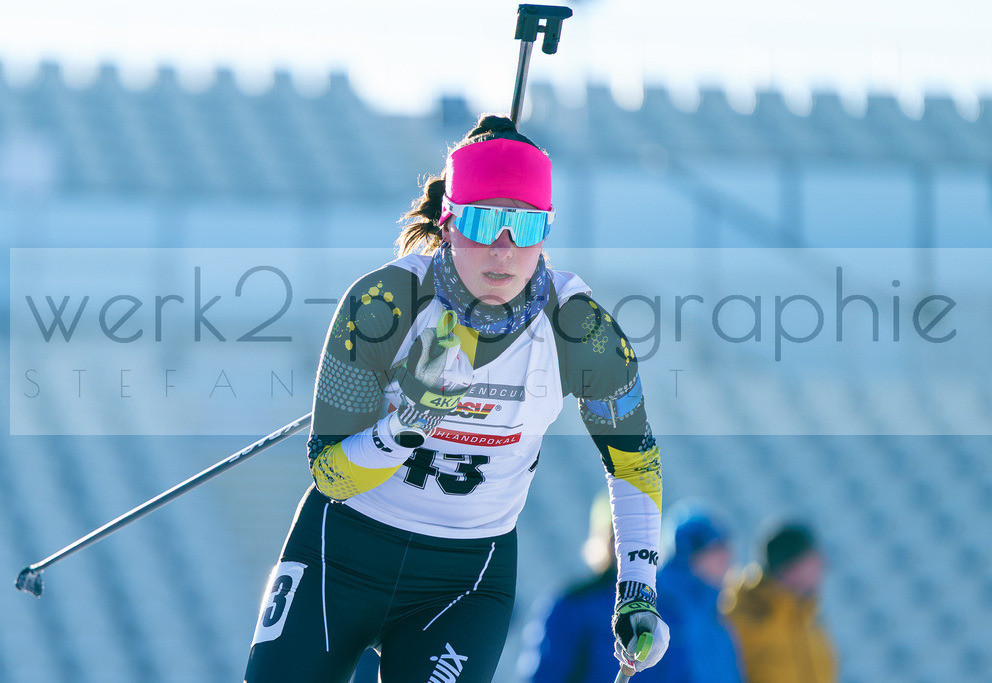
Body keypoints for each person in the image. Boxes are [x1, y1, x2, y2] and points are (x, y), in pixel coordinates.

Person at [243, 114, 669, 682]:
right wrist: (406, 427)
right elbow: (330, 475)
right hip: (341, 555)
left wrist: (638, 589)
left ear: (547, 230)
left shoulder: (579, 328)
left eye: (524, 225)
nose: (503, 248)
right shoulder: (387, 302)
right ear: (448, 223)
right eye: (483, 220)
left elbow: (634, 463)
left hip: (463, 581)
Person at [720, 521, 838, 683]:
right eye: (812, 558)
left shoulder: (810, 622)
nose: (822, 564)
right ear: (790, 565)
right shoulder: (742, 621)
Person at [519, 495, 619, 683]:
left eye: (638, 538)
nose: (626, 547)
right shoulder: (572, 605)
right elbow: (546, 675)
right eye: (616, 536)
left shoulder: (669, 606)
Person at [645, 503, 744, 683]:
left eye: (725, 547)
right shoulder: (661, 611)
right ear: (687, 555)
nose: (726, 558)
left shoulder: (715, 613)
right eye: (714, 549)